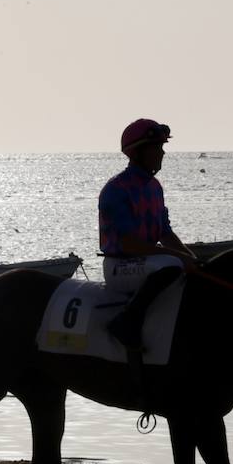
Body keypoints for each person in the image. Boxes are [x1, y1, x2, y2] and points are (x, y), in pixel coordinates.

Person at [98, 118, 196, 352]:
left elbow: (165, 232)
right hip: (119, 266)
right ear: (137, 152)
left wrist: (192, 257)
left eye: (162, 148)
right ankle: (125, 322)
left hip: (146, 262)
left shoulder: (154, 187)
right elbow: (129, 243)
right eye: (156, 148)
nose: (162, 154)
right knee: (171, 264)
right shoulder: (116, 189)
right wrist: (177, 257)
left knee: (186, 263)